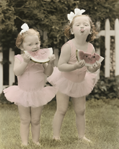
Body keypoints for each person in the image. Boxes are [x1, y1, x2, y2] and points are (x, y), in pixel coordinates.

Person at [47, 8, 101, 142]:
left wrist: (95, 68)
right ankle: (56, 137)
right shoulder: (68, 46)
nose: (82, 27)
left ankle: (81, 136)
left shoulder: (90, 48)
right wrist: (75, 66)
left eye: (85, 24)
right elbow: (61, 66)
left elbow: (90, 68)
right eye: (78, 25)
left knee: (81, 111)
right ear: (72, 30)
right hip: (65, 80)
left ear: (90, 30)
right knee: (62, 110)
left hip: (80, 82)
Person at [3, 23, 57, 146]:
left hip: (38, 93)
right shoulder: (19, 58)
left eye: (37, 43)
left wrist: (51, 63)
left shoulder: (42, 59)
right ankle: (24, 142)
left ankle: (36, 141)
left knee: (36, 120)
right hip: (23, 93)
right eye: (30, 44)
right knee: (24, 119)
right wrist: (25, 62)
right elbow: (17, 72)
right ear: (21, 46)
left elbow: (48, 73)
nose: (34, 47)